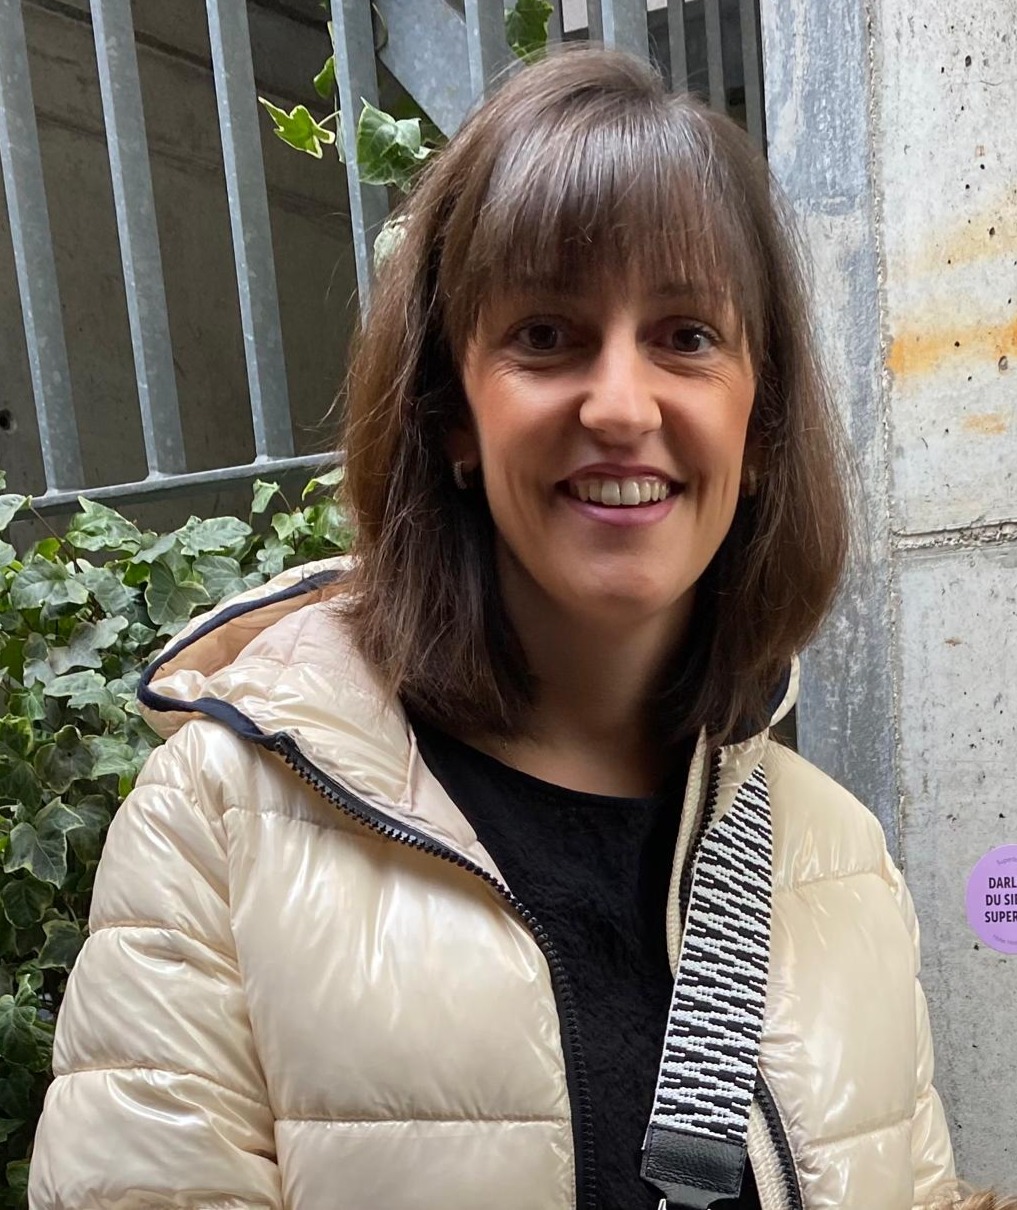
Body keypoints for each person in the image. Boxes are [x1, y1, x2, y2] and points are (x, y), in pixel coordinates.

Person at [29, 47, 955, 1210]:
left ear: (759, 424)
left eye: (685, 336)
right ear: (452, 416)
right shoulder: (218, 826)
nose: (620, 404)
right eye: (547, 336)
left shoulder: (841, 861)